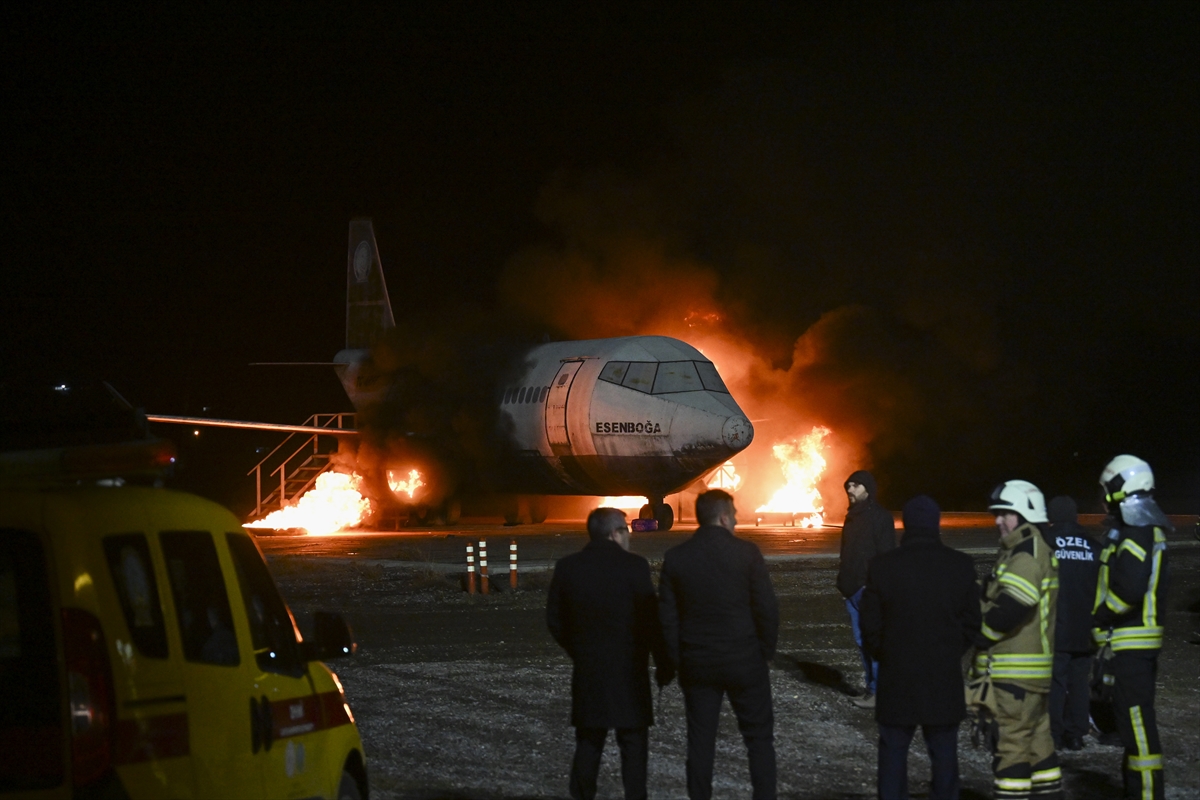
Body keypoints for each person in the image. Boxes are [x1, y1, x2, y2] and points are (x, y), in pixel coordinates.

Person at [658, 489, 779, 800]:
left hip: (698, 663)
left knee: (700, 741)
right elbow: (766, 608)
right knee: (759, 740)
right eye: (735, 514)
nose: (737, 520)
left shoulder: (676, 558)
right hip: (744, 660)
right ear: (724, 517)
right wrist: (764, 652)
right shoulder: (747, 553)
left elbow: (667, 619)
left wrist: (678, 660)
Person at [547, 507, 673, 800]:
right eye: (626, 530)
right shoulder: (635, 567)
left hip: (589, 672)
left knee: (589, 745)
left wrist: (578, 649)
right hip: (630, 673)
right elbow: (650, 620)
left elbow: (555, 619)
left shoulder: (568, 567)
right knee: (633, 749)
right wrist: (664, 663)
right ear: (616, 533)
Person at [861, 495, 981, 800]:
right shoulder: (960, 565)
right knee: (944, 758)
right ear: (936, 524)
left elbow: (869, 624)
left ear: (906, 525)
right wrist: (951, 651)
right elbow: (972, 623)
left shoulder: (883, 566)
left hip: (897, 678)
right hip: (942, 677)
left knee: (892, 757)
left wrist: (886, 654)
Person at [973, 480, 1062, 800]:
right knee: (1039, 746)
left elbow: (1012, 607)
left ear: (1025, 514)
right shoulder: (1028, 548)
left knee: (1010, 749)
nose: (998, 520)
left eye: (1005, 514)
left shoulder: (1026, 554)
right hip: (1032, 674)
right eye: (996, 514)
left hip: (1015, 675)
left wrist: (980, 636)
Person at [1094, 455, 1170, 799]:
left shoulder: (1137, 529)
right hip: (1135, 646)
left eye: (1108, 488)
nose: (1105, 495)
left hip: (1132, 647)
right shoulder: (1140, 526)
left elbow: (1128, 589)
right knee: (1131, 727)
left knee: (1138, 729)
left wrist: (1099, 617)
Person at [1041, 495, 1099, 751]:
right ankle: (1076, 734)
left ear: (1051, 517)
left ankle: (1054, 734)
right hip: (1086, 628)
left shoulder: (1047, 544)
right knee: (1079, 682)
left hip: (1056, 626)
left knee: (1055, 683)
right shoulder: (1094, 547)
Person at [837, 469, 896, 709]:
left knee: (874, 642)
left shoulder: (880, 517)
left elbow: (886, 554)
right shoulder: (852, 516)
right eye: (848, 485)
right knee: (862, 643)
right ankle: (871, 689)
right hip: (851, 590)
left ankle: (879, 692)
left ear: (868, 489)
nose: (850, 490)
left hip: (868, 590)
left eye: (856, 485)